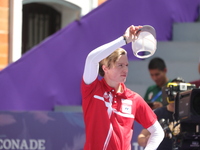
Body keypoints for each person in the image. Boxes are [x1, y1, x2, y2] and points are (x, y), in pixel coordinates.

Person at [81, 25, 164, 150]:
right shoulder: (92, 89)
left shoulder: (134, 99)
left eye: (126, 65)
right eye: (120, 65)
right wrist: (124, 40)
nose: (125, 69)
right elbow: (91, 59)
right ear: (106, 68)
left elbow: (158, 132)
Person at [137, 77, 185, 150]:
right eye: (174, 91)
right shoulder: (157, 113)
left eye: (180, 91)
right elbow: (142, 136)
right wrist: (146, 140)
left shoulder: (191, 114)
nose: (176, 95)